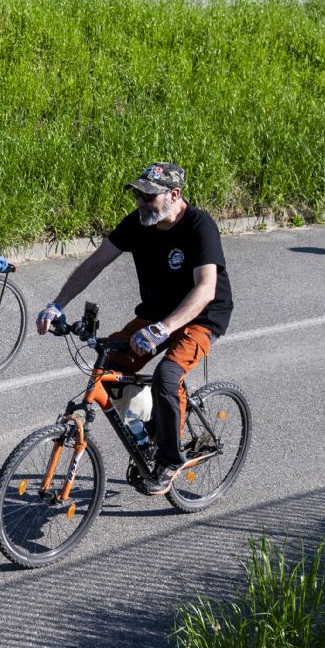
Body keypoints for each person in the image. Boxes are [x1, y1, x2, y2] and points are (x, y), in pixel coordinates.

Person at [34, 162, 233, 496]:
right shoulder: (138, 223)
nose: (141, 202)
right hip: (155, 314)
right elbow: (94, 264)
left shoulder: (199, 226)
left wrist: (163, 328)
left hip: (200, 317)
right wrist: (57, 304)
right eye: (138, 195)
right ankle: (151, 432)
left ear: (174, 194)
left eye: (149, 196)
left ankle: (169, 459)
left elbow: (205, 289)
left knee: (167, 376)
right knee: (110, 365)